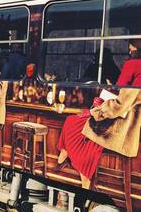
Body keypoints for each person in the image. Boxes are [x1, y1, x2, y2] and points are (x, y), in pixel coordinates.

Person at [55, 39, 141, 189]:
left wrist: (98, 111)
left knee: (72, 121)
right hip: (131, 126)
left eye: (131, 47)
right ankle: (66, 154)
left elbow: (118, 100)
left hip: (119, 124)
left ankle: (79, 169)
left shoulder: (133, 65)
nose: (129, 50)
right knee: (81, 122)